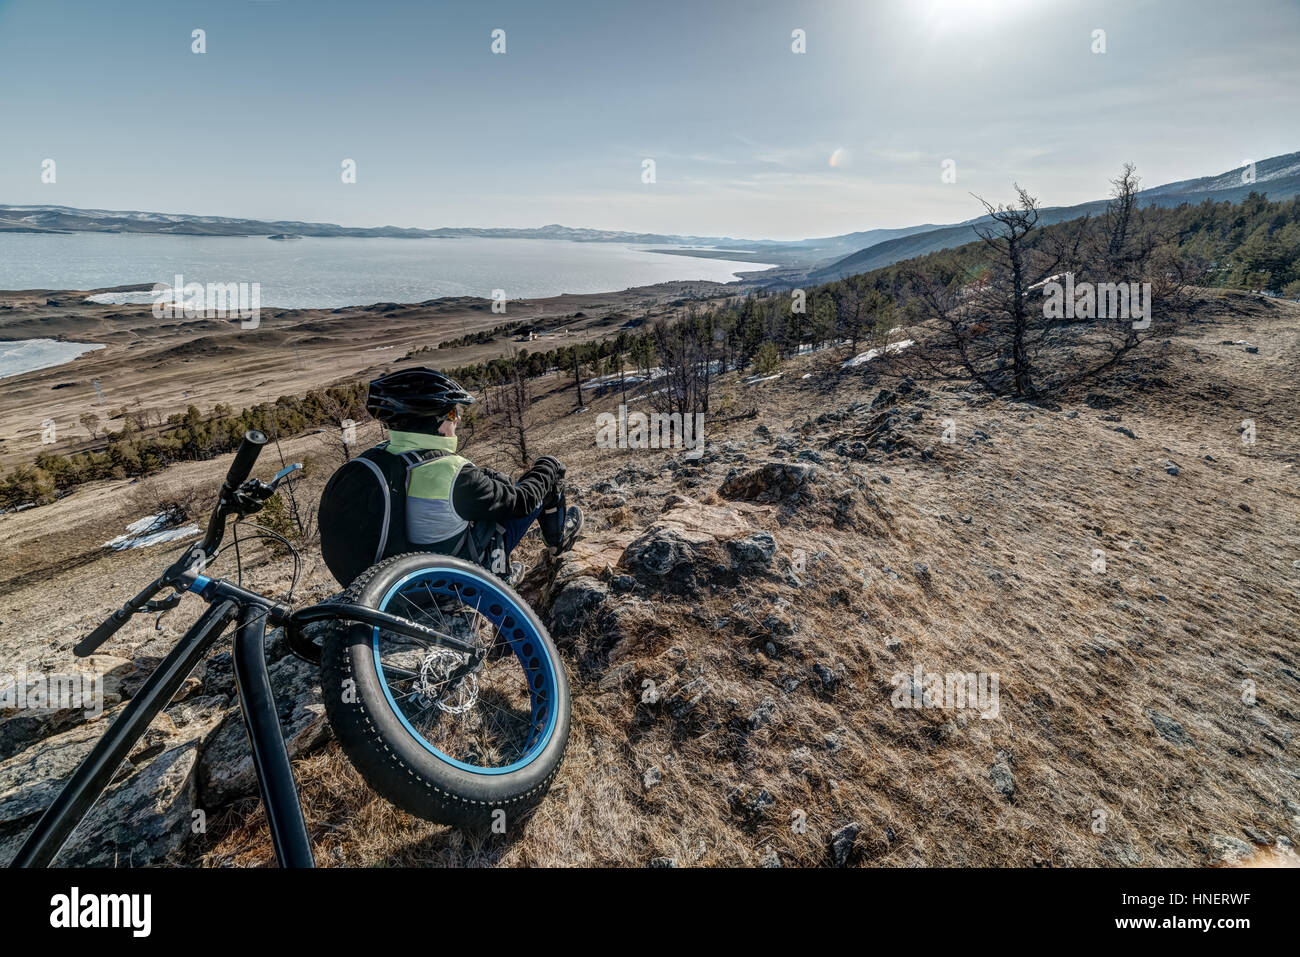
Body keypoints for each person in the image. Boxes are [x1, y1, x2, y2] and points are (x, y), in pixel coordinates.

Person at [317, 367, 582, 587]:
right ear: (437, 422)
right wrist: (548, 466)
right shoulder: (451, 472)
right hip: (447, 585)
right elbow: (522, 501)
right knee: (537, 490)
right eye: (454, 413)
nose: (457, 421)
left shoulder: (376, 459)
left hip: (390, 586)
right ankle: (547, 549)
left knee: (487, 499)